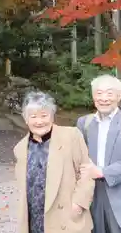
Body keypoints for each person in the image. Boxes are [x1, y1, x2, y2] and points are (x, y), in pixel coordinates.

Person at [14, 91, 95, 233]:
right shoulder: (20, 148)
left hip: (65, 217)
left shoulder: (71, 136)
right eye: (33, 117)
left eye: (44, 116)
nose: (39, 121)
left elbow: (86, 171)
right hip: (34, 218)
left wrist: (78, 204)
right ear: (26, 120)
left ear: (52, 116)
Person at [77, 74, 121, 233]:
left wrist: (101, 172)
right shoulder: (84, 123)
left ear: (119, 95)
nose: (104, 98)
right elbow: (77, 157)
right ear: (93, 96)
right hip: (92, 195)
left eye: (109, 93)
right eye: (99, 93)